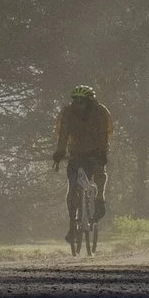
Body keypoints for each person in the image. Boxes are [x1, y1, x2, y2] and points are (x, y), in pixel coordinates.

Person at [53, 84, 113, 248]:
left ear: (90, 101)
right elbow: (63, 134)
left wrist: (101, 153)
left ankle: (100, 199)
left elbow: (104, 134)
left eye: (82, 101)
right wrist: (59, 153)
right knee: (72, 188)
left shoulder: (100, 113)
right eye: (76, 101)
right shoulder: (67, 113)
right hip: (76, 152)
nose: (79, 104)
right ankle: (73, 225)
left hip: (95, 151)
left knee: (99, 173)